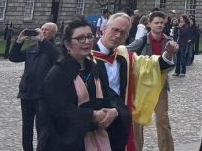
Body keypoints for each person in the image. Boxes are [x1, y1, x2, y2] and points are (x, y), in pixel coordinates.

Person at [40, 19, 131, 151]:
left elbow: (110, 97)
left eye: (89, 37)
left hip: (98, 140)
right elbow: (59, 111)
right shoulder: (58, 74)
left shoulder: (94, 69)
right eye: (80, 38)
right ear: (67, 44)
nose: (87, 42)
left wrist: (114, 111)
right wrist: (92, 116)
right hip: (69, 143)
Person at [92, 12, 176, 151]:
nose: (118, 35)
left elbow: (148, 66)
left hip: (119, 118)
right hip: (96, 119)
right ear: (104, 28)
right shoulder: (86, 57)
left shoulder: (124, 55)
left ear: (127, 36)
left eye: (123, 33)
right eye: (115, 30)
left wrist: (168, 54)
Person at [126, 12, 176, 151]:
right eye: (156, 22)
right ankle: (135, 148)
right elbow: (126, 53)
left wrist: (168, 60)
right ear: (149, 24)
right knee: (137, 121)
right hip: (142, 86)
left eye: (161, 23)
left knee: (163, 120)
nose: (159, 25)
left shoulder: (168, 40)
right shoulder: (142, 40)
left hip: (160, 85)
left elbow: (173, 63)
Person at [9, 22, 59, 151]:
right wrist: (19, 42)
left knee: (42, 128)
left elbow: (56, 57)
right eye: (42, 29)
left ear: (54, 33)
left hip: (42, 94)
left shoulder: (55, 48)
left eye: (46, 30)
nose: (43, 31)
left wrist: (43, 40)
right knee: (27, 127)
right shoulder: (31, 48)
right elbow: (14, 57)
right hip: (27, 92)